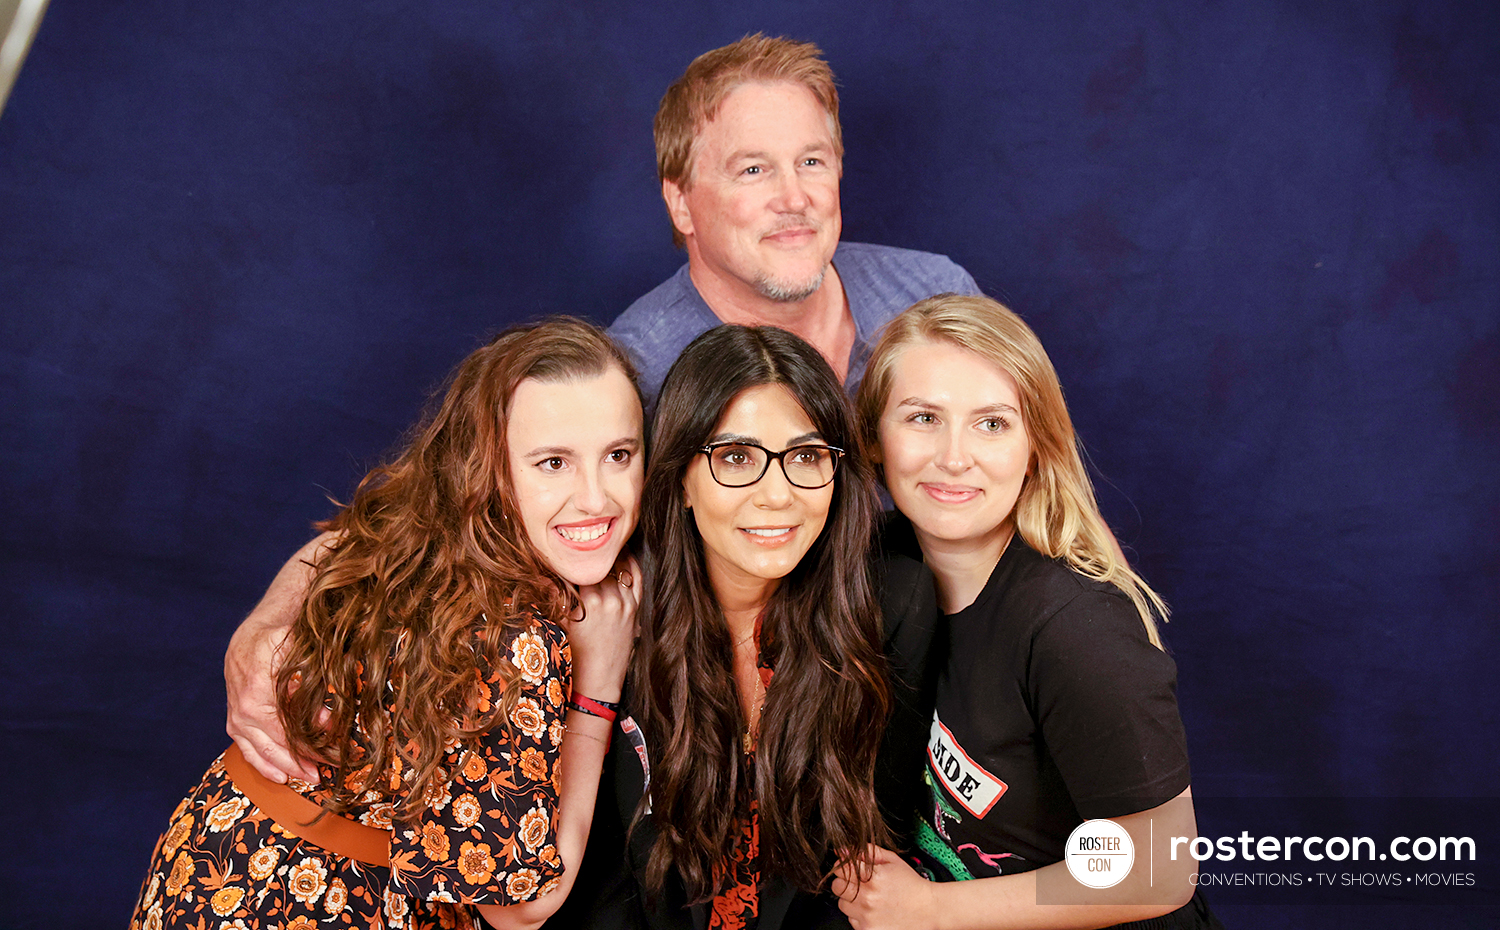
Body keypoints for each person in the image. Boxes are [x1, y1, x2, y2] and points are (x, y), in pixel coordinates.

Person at [132, 319, 646, 929]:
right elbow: (523, 908)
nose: (595, 498)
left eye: (618, 455)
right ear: (489, 466)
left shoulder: (411, 526)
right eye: (553, 463)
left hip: (208, 865)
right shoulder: (517, 628)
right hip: (315, 907)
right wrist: (598, 686)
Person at [836, 295, 1221, 929]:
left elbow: (1160, 867)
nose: (954, 456)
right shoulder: (879, 562)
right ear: (873, 438)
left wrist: (931, 910)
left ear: (1034, 446)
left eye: (992, 423)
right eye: (923, 417)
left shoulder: (1075, 624)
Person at [604, 324, 892, 929]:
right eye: (736, 457)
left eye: (807, 457)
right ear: (680, 476)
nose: (777, 495)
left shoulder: (893, 609)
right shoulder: (609, 627)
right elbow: (599, 887)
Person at [607, 34, 980, 400]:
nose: (794, 198)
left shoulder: (939, 298)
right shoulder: (634, 379)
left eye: (811, 162)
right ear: (680, 204)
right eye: (753, 169)